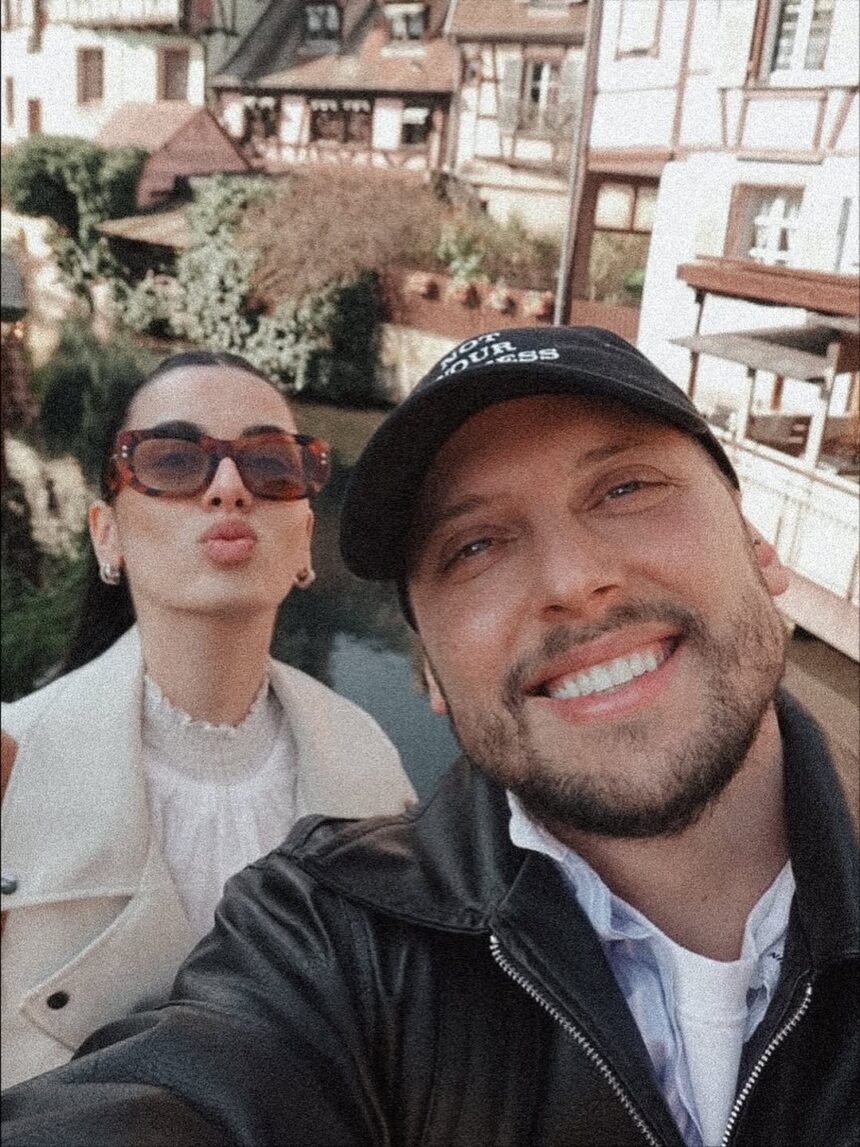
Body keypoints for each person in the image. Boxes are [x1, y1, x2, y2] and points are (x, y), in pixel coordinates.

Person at [2, 328, 857, 1147]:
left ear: (759, 544)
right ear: (433, 675)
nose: (573, 581)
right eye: (475, 544)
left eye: (625, 489)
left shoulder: (361, 755)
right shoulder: (331, 927)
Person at [0, 350, 415, 1090]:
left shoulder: (372, 769)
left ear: (304, 539)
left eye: (271, 465)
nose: (229, 487)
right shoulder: (12, 768)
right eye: (173, 460)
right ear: (107, 534)